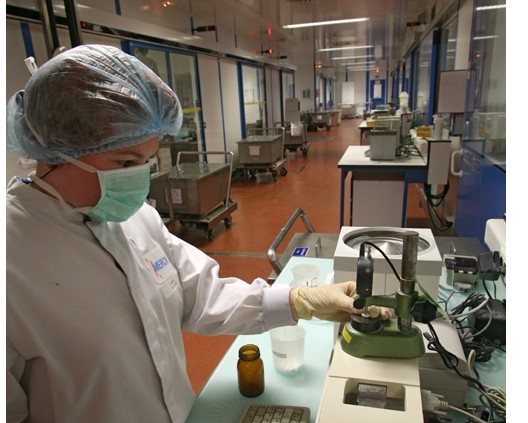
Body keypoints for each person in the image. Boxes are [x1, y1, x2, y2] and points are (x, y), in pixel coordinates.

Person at [6, 44, 390, 423]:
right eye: (124, 162)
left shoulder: (136, 218)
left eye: (146, 161)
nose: (139, 177)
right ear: (58, 151)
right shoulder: (12, 257)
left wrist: (299, 301)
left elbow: (201, 294)